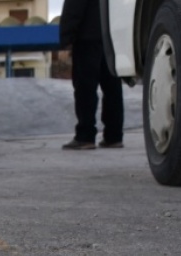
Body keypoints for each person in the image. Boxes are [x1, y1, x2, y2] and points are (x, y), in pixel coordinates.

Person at [59, 0, 125, 149]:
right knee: (112, 88)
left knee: (85, 88)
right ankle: (114, 136)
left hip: (86, 38)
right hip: (111, 37)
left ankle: (85, 136)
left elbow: (74, 8)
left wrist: (65, 39)